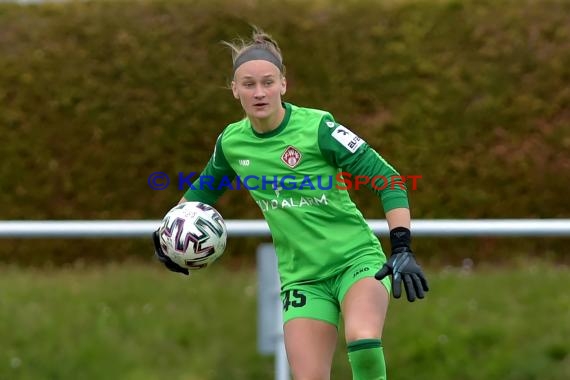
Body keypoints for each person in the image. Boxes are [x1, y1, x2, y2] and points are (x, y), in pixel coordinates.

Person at [153, 27, 429, 380]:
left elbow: (387, 178)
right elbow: (200, 193)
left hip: (356, 261)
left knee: (362, 337)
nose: (259, 92)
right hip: (302, 278)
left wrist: (402, 244)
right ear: (234, 90)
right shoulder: (232, 143)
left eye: (268, 82)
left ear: (283, 84)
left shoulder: (319, 128)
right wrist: (166, 235)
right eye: (248, 85)